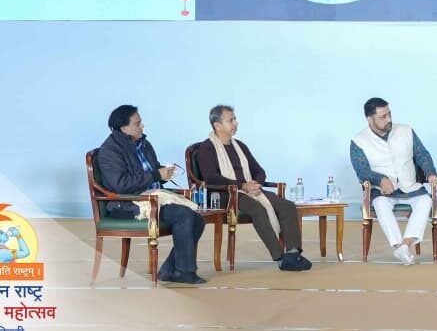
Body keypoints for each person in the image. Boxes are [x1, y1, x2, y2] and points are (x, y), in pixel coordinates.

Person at [96, 105, 206, 285]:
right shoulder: (110, 151)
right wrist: (156, 175)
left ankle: (172, 270)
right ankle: (184, 271)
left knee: (198, 219)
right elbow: (121, 185)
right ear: (123, 128)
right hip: (128, 203)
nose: (142, 126)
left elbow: (152, 171)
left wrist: (164, 173)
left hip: (152, 198)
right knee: (184, 215)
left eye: (141, 122)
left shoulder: (144, 144)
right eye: (137, 123)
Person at [195, 105, 312, 271]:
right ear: (217, 125)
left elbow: (259, 170)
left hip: (250, 190)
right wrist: (242, 186)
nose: (235, 123)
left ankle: (293, 254)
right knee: (257, 209)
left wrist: (255, 184)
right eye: (230, 120)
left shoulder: (240, 146)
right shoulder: (206, 148)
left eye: (235, 119)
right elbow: (211, 177)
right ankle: (280, 258)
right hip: (225, 194)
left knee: (287, 206)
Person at [350, 97, 437, 265]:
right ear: (370, 119)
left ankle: (404, 246)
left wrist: (431, 173)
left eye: (389, 114)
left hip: (411, 187)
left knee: (426, 201)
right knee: (380, 204)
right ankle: (398, 246)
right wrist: (380, 179)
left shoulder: (406, 130)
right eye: (383, 117)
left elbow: (422, 155)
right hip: (382, 192)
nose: (389, 119)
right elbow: (362, 171)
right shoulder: (358, 141)